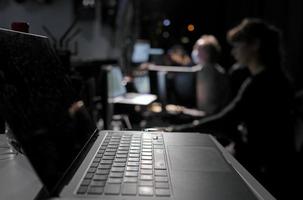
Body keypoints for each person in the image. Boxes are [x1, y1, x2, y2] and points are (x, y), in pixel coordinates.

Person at [169, 18, 296, 199]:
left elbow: (227, 120)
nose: (234, 51)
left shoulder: (262, 84)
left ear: (255, 45)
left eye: (238, 45)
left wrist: (176, 130)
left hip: (265, 171)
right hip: (269, 164)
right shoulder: (274, 79)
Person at [191, 35, 231, 114]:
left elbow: (209, 107)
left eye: (199, 49)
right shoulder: (204, 69)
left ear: (208, 53)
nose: (196, 52)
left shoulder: (211, 72)